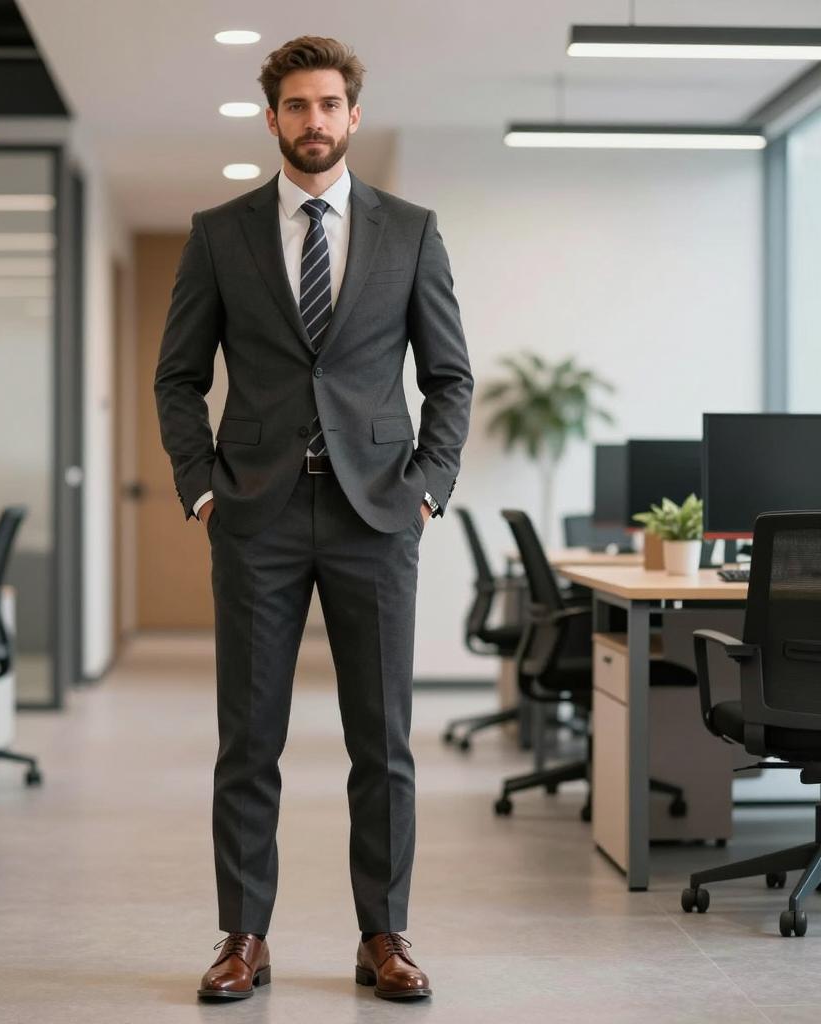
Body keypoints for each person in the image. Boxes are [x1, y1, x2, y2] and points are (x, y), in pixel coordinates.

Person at [154, 34, 473, 1003]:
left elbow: (449, 376)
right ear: (273, 119)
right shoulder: (220, 231)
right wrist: (201, 483)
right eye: (296, 106)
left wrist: (426, 486)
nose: (314, 121)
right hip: (257, 515)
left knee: (383, 742)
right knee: (249, 739)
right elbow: (178, 375)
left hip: (379, 515)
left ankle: (384, 934)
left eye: (329, 104)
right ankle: (242, 936)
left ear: (352, 116)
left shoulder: (410, 229)